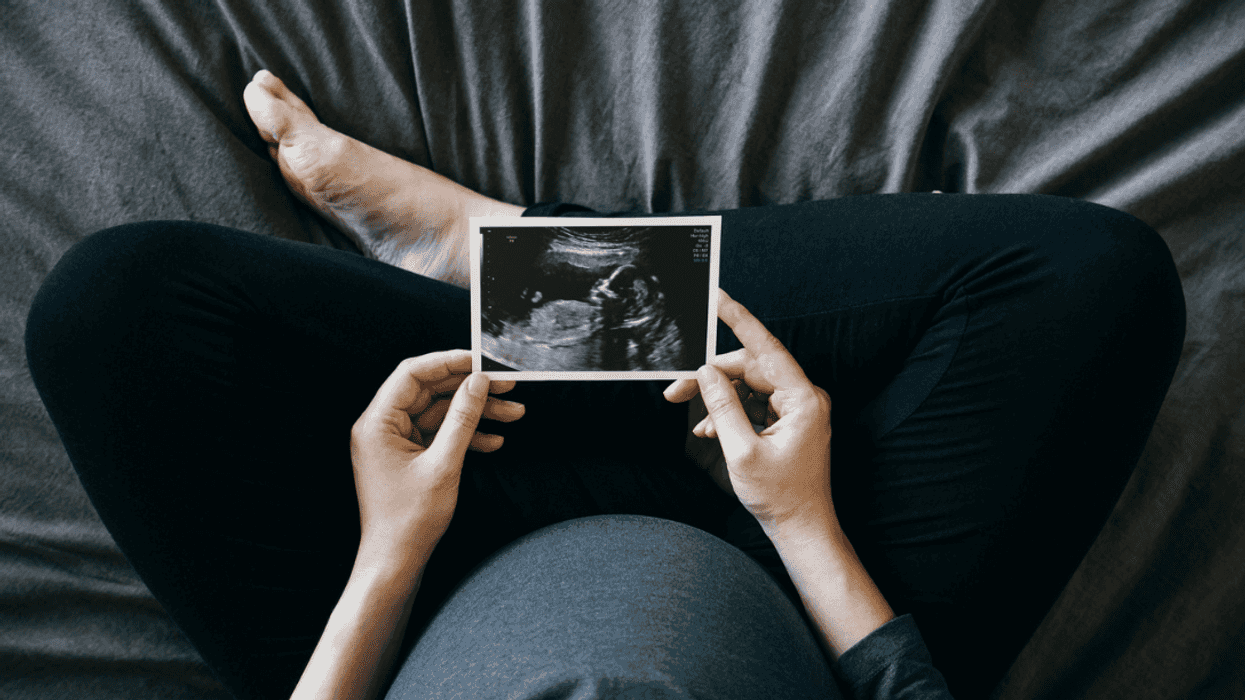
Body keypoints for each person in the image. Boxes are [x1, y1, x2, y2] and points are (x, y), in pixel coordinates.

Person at [23, 70, 1186, 700]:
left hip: (419, 591)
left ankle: (507, 277)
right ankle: (517, 266)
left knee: (112, 310)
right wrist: (799, 520)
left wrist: (389, 549)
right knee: (1092, 281)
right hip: (792, 583)